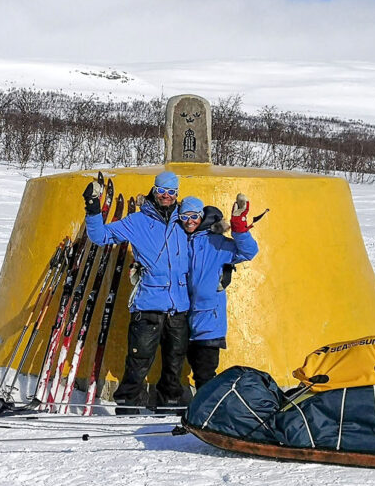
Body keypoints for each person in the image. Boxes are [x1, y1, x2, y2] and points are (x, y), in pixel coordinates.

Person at [83, 170, 190, 411]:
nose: (166, 196)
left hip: (179, 307)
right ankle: (127, 405)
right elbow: (100, 236)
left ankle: (169, 405)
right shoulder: (137, 222)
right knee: (138, 360)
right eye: (162, 191)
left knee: (175, 363)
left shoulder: (184, 223)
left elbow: (205, 243)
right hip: (148, 304)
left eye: (171, 192)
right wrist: (92, 207)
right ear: (154, 190)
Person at [178, 193, 259, 390]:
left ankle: (205, 412)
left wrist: (239, 227)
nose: (189, 222)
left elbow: (249, 251)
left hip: (209, 320)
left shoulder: (217, 243)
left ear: (201, 216)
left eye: (194, 216)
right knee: (174, 369)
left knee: (205, 373)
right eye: (184, 217)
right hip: (180, 318)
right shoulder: (179, 241)